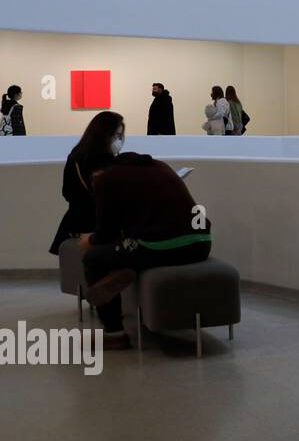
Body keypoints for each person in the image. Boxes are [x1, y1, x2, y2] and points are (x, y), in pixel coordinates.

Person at [78, 151, 214, 350]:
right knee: (127, 250)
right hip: (201, 244)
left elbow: (105, 233)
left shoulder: (105, 179)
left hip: (163, 247)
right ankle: (126, 268)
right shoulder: (159, 165)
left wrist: (88, 239)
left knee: (94, 258)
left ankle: (114, 334)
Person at [48, 111, 123, 256]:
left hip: (93, 220)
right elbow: (73, 192)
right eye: (115, 135)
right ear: (103, 134)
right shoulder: (84, 158)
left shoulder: (93, 156)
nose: (118, 140)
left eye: (120, 136)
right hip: (86, 223)